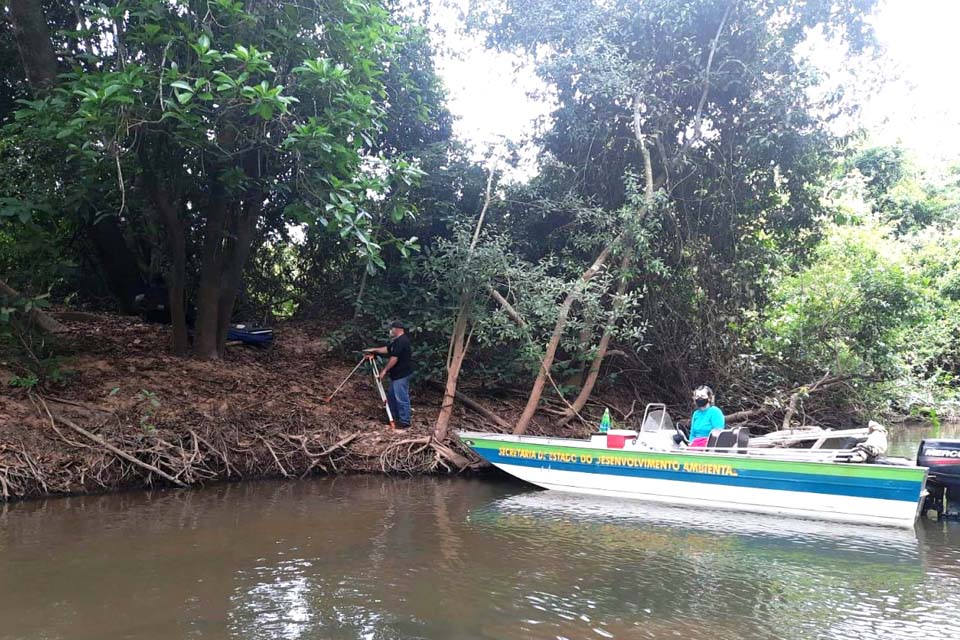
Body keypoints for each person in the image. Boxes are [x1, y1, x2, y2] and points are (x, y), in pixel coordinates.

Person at [364, 321, 413, 430]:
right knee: (391, 396)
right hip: (396, 375)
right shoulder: (397, 341)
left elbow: (394, 358)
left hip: (402, 374)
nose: (391, 331)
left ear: (397, 329)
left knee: (401, 397)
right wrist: (374, 350)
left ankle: (404, 421)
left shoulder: (402, 341)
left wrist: (384, 371)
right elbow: (387, 349)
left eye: (392, 329)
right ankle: (393, 417)